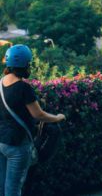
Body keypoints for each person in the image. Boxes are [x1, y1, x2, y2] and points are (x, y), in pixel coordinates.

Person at [0, 44, 65, 196]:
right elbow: (39, 115)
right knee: (13, 189)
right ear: (24, 65)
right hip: (17, 145)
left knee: (2, 187)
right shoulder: (23, 88)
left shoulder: (1, 83)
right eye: (29, 63)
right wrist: (58, 117)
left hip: (1, 142)